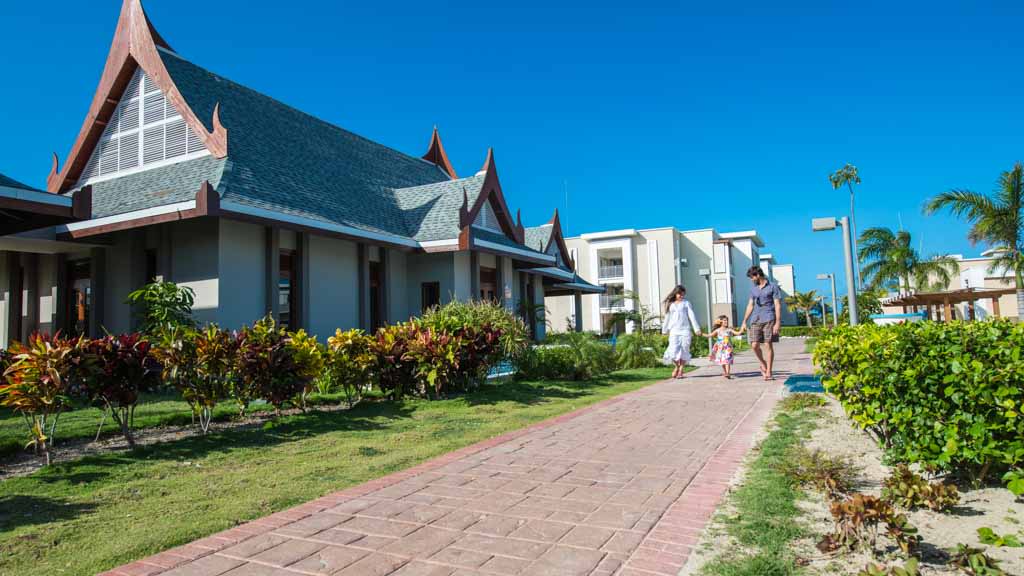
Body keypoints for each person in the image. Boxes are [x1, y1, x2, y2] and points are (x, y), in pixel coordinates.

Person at [740, 266, 782, 381]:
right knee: (754, 345)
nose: (751, 279)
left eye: (751, 277)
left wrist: (777, 322)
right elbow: (750, 305)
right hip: (756, 318)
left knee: (768, 344)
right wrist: (744, 321)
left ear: (757, 275)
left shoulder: (773, 287)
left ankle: (769, 371)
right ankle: (763, 363)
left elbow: (777, 305)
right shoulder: (753, 289)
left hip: (769, 317)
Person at [661, 285, 701, 379]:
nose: (681, 296)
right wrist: (664, 330)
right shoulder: (670, 304)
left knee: (684, 350)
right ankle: (677, 366)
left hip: (685, 330)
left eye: (683, 294)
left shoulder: (686, 303)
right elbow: (667, 318)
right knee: (672, 350)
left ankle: (681, 370)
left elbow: (692, 316)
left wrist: (696, 329)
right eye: (680, 294)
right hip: (674, 330)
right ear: (675, 293)